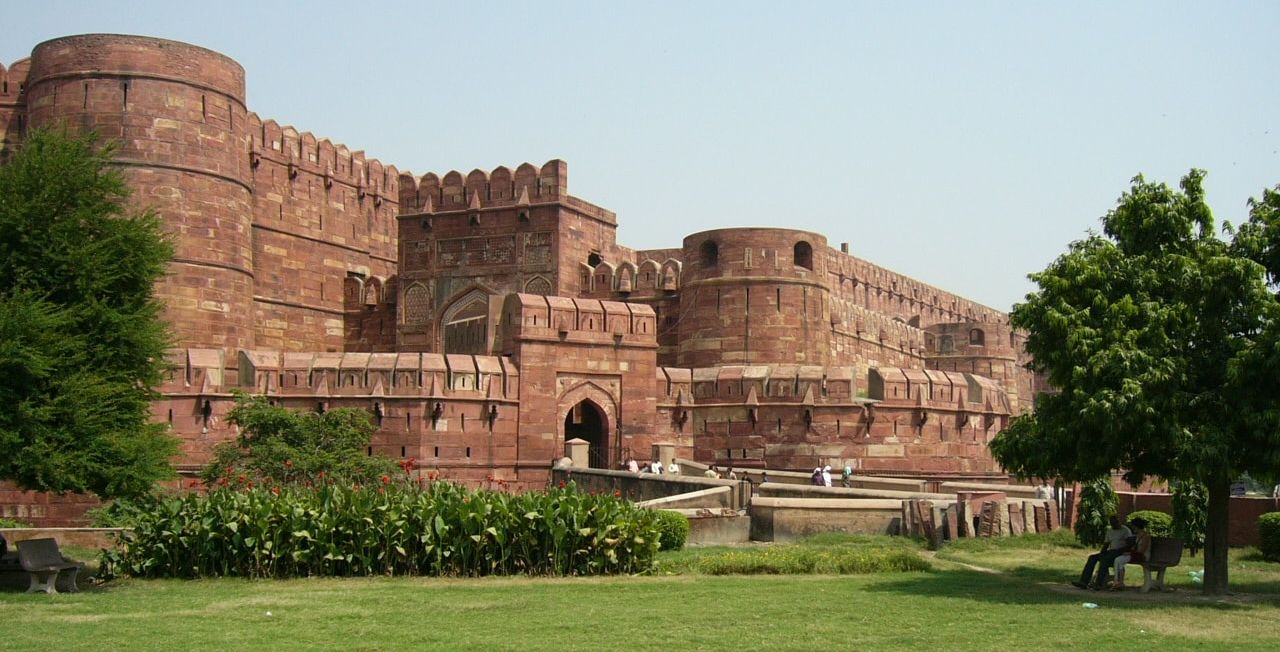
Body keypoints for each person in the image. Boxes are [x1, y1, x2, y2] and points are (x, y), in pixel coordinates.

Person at [1072, 515, 1132, 589]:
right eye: (1112, 523)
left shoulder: (1125, 530)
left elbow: (1129, 544)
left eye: (1115, 523)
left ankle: (1098, 583)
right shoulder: (1110, 531)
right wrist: (1102, 553)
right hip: (1111, 551)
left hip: (1120, 551)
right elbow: (1106, 544)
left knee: (1105, 559)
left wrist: (1121, 550)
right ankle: (1083, 582)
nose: (1114, 525)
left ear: (1119, 522)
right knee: (1092, 558)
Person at [1111, 517, 1151, 590]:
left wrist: (1130, 553)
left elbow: (1142, 551)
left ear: (1137, 526)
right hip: (1134, 554)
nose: (1133, 528)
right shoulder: (1137, 536)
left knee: (1119, 560)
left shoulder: (1146, 536)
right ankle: (1118, 581)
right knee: (1118, 560)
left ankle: (1118, 582)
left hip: (1142, 556)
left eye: (1134, 527)